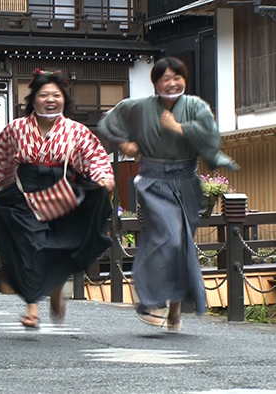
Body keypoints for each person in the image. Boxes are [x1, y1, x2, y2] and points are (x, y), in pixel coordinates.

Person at [97, 56, 240, 332]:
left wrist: (180, 128)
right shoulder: (139, 107)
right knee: (168, 237)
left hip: (186, 182)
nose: (172, 83)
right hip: (153, 182)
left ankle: (175, 306)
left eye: (178, 77)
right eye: (165, 78)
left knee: (182, 242)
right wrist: (125, 143)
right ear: (155, 83)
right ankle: (152, 302)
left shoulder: (197, 106)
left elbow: (211, 138)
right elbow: (109, 120)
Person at [0, 69, 115, 328]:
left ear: (64, 98)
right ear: (33, 100)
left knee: (60, 245)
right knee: (30, 245)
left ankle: (55, 287)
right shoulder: (16, 129)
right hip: (25, 194)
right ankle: (32, 307)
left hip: (63, 194)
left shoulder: (76, 131)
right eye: (44, 95)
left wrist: (102, 178)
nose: (50, 99)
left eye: (56, 95)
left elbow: (94, 157)